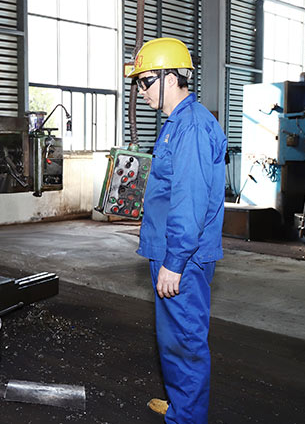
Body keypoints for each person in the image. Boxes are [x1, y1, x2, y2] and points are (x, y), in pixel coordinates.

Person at [127, 37, 227, 423]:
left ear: (171, 79)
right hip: (168, 249)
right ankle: (183, 405)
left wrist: (175, 262)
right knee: (172, 340)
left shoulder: (193, 127)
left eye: (145, 81)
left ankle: (187, 418)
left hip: (182, 256)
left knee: (184, 342)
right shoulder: (176, 124)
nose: (141, 91)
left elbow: (190, 202)